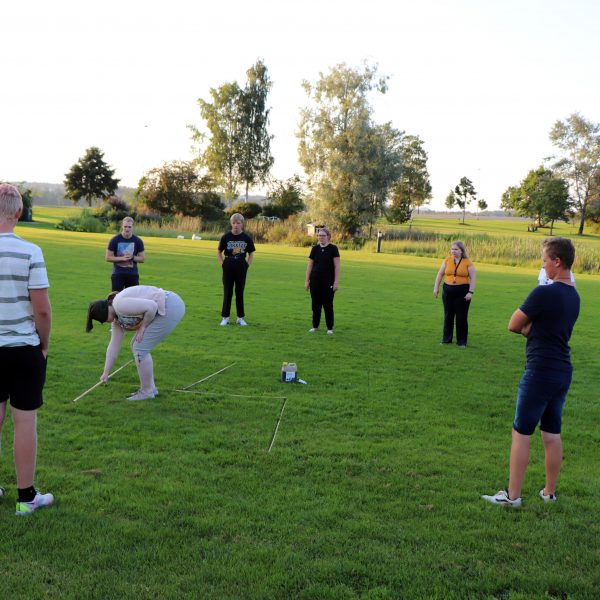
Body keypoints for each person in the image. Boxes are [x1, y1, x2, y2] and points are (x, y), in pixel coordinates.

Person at [482, 237, 580, 507]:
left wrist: (530, 329)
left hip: (539, 371)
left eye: (545, 261)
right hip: (562, 371)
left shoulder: (543, 293)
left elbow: (513, 325)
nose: (543, 265)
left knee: (521, 432)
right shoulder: (574, 296)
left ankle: (512, 497)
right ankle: (549, 493)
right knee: (551, 433)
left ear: (557, 261)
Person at [0, 183, 53, 515]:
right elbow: (42, 311)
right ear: (19, 212)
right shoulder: (31, 251)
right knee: (24, 422)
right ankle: (26, 498)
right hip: (23, 349)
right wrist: (44, 345)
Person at [86, 285, 185, 401]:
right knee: (136, 345)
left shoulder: (119, 304)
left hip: (170, 305)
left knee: (139, 346)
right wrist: (105, 373)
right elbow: (114, 346)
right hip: (169, 306)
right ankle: (151, 389)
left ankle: (147, 391)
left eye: (103, 319)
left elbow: (152, 307)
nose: (105, 322)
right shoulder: (117, 320)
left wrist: (143, 327)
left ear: (105, 311)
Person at [433, 240, 476, 347]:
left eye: (456, 249)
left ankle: (461, 342)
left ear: (461, 251)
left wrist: (470, 292)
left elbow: (473, 278)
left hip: (463, 292)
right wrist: (436, 288)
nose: (453, 251)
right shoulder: (447, 260)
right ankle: (446, 339)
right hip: (447, 291)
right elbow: (440, 274)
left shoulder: (467, 262)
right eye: (452, 249)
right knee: (448, 315)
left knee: (461, 317)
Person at [217, 213, 255, 327]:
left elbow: (251, 253)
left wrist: (247, 265)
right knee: (227, 291)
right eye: (234, 223)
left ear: (242, 224)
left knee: (239, 292)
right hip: (228, 264)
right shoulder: (226, 237)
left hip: (241, 265)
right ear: (231, 224)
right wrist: (222, 264)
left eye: (238, 223)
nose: (236, 225)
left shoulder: (246, 238)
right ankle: (225, 317)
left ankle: (240, 318)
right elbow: (218, 251)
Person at [305, 227, 340, 335]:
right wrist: (307, 281)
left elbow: (337, 266)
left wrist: (336, 282)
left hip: (328, 281)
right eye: (319, 235)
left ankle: (329, 328)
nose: (321, 237)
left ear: (328, 236)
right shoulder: (315, 248)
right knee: (315, 305)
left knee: (327, 305)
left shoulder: (333, 248)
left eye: (323, 235)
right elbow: (310, 265)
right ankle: (315, 326)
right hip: (315, 280)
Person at [106, 217, 145, 292]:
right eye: (125, 226)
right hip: (118, 274)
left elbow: (142, 258)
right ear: (122, 226)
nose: (127, 229)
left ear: (133, 227)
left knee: (133, 297)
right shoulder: (114, 240)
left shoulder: (138, 241)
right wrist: (122, 258)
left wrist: (132, 257)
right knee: (116, 297)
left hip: (132, 275)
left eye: (129, 227)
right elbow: (108, 257)